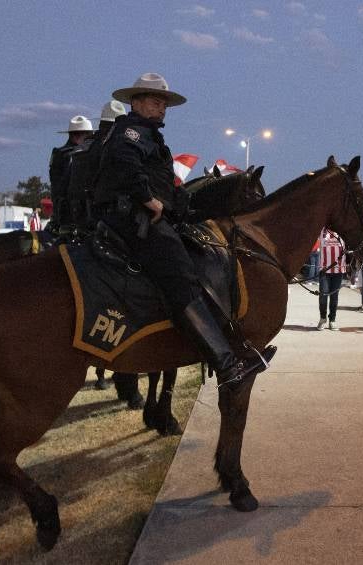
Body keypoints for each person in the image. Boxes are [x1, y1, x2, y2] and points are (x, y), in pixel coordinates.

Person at [92, 72, 273, 386]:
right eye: (154, 101)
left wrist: (185, 207)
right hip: (133, 220)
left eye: (164, 103)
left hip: (147, 217)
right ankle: (228, 366)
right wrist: (149, 200)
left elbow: (165, 183)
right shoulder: (131, 131)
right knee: (181, 275)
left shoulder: (150, 135)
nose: (161, 108)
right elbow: (125, 165)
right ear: (135, 102)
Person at [49, 115, 95, 232]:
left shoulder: (58, 153)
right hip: (74, 215)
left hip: (61, 213)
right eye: (88, 135)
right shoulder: (76, 156)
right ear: (76, 136)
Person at [316, 227, 347, 330]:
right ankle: (323, 318)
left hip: (338, 271)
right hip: (325, 271)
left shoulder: (342, 231)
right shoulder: (322, 231)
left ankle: (332, 320)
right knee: (323, 295)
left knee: (334, 297)